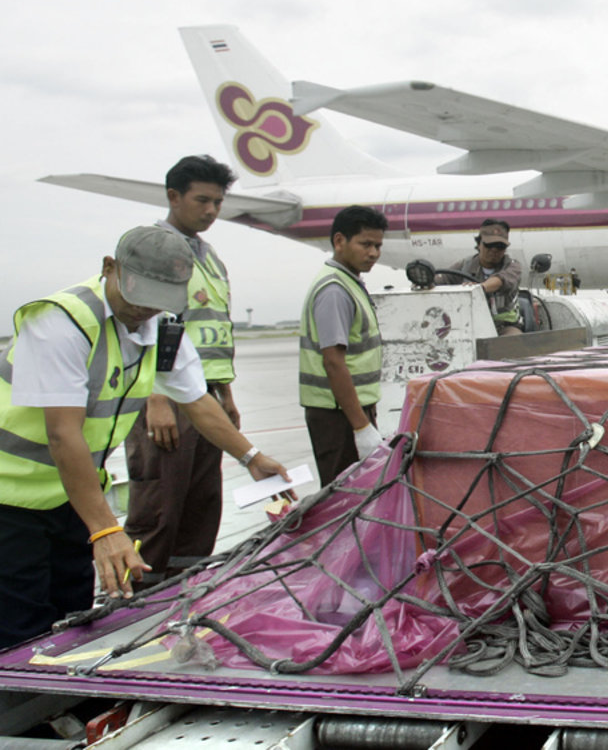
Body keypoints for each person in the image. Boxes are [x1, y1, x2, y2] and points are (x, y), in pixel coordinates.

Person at [0, 226, 289, 649]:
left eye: (161, 296)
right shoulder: (62, 322)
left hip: (69, 496)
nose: (147, 308)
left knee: (71, 616)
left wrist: (251, 457)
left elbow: (197, 401)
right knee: (20, 622)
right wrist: (104, 531)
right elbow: (63, 435)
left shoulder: (160, 327)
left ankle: (62, 708)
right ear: (110, 269)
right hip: (10, 498)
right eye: (140, 291)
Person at [123, 156, 241, 587]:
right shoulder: (154, 249)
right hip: (168, 395)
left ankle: (184, 591)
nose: (211, 211)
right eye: (202, 200)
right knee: (159, 504)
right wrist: (154, 395)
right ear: (174, 197)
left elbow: (214, 329)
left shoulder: (209, 257)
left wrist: (226, 395)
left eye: (218, 202)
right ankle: (134, 597)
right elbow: (140, 323)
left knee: (202, 502)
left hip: (206, 395)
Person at [299, 205, 388, 486]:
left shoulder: (349, 283)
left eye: (378, 245)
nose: (373, 253)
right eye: (365, 244)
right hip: (338, 416)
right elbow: (333, 362)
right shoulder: (335, 290)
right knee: (345, 500)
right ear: (339, 241)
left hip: (350, 410)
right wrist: (360, 427)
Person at [450, 219, 524, 336]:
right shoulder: (463, 266)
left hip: (504, 327)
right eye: (489, 245)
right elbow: (440, 280)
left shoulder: (513, 266)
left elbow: (501, 280)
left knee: (515, 342)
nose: (494, 250)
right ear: (479, 244)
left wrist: (481, 287)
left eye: (500, 246)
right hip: (468, 328)